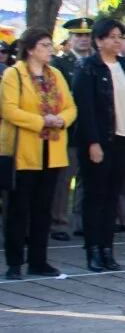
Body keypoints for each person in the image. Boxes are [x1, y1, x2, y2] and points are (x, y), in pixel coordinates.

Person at [2, 28, 77, 280]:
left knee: (43, 208)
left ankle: (39, 260)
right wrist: (40, 121)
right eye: (45, 45)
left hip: (52, 150)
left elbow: (70, 106)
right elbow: (10, 110)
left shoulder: (55, 75)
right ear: (31, 48)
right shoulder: (14, 74)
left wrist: (60, 120)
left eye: (50, 45)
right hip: (24, 150)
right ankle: (14, 261)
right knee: (18, 208)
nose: (50, 49)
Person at [72, 18, 125, 272]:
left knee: (113, 196)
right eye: (112, 36)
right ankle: (92, 249)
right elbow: (86, 110)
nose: (117, 41)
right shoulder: (88, 68)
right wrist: (92, 141)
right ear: (99, 40)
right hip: (100, 140)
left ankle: (107, 249)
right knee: (96, 196)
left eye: (119, 36)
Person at [48, 17, 92, 242]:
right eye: (79, 36)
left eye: (87, 35)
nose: (84, 40)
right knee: (64, 179)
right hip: (70, 131)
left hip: (91, 131)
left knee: (87, 178)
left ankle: (81, 221)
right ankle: (58, 222)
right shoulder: (60, 64)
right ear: (70, 39)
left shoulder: (95, 63)